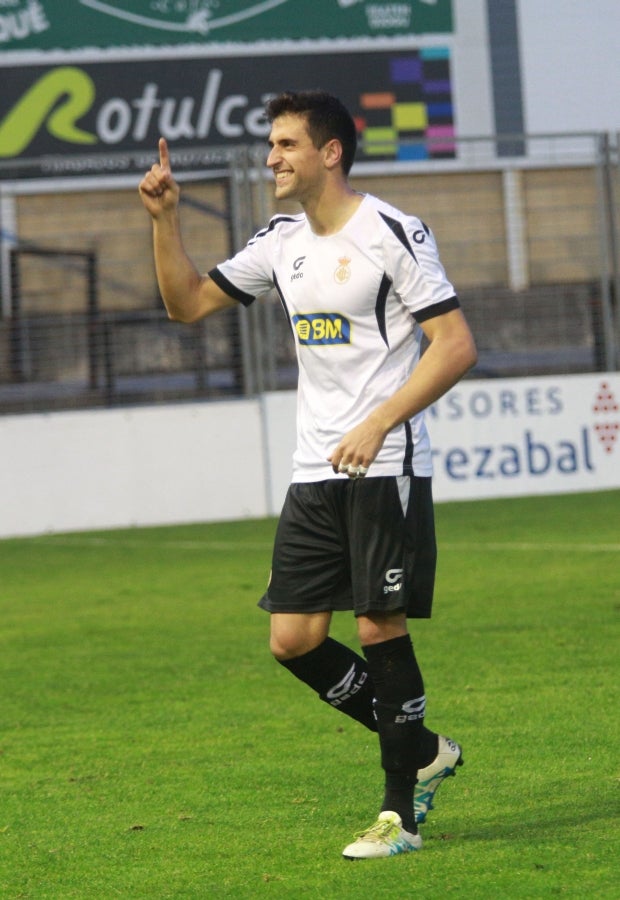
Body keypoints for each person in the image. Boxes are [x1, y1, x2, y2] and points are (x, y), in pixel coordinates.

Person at [139, 90, 477, 860]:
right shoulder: (280, 240)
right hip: (312, 471)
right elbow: (186, 304)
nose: (271, 158)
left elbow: (455, 345)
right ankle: (420, 745)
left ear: (330, 152)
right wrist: (164, 220)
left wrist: (378, 421)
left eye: (287, 144)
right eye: (271, 145)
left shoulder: (393, 231)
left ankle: (400, 814)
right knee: (292, 640)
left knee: (375, 626)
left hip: (384, 460)